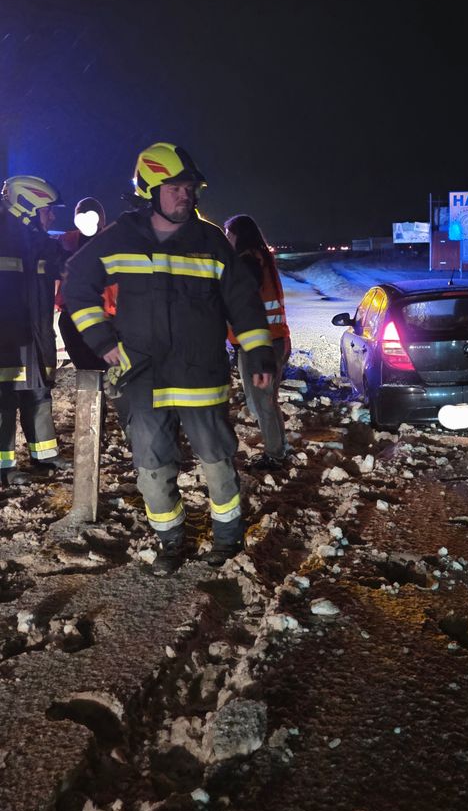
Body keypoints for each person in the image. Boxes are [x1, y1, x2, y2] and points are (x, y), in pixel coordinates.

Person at [62, 143, 275, 575]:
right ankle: (171, 544)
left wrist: (261, 353)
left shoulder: (210, 240)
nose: (186, 195)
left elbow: (243, 304)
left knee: (218, 465)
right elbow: (76, 287)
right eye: (175, 187)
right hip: (142, 379)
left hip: (202, 377)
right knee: (153, 471)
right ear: (149, 190)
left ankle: (228, 539)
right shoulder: (121, 237)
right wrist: (102, 340)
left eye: (189, 188)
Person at [0, 175, 71, 486]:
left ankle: (44, 455)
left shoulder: (39, 243)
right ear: (26, 207)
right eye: (47, 210)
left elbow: (70, 263)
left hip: (35, 335)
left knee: (38, 393)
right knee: (4, 400)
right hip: (5, 339)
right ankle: (3, 467)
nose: (52, 216)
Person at [223, 214, 291, 470]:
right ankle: (280, 448)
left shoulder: (247, 261)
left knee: (260, 402)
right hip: (276, 339)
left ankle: (274, 455)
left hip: (259, 344)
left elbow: (242, 301)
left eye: (229, 233)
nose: (226, 237)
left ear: (239, 235)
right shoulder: (261, 257)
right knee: (267, 401)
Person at [56, 197, 117, 370]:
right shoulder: (112, 242)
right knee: (105, 369)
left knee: (89, 370)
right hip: (102, 315)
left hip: (74, 315)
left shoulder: (64, 241)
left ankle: (92, 394)